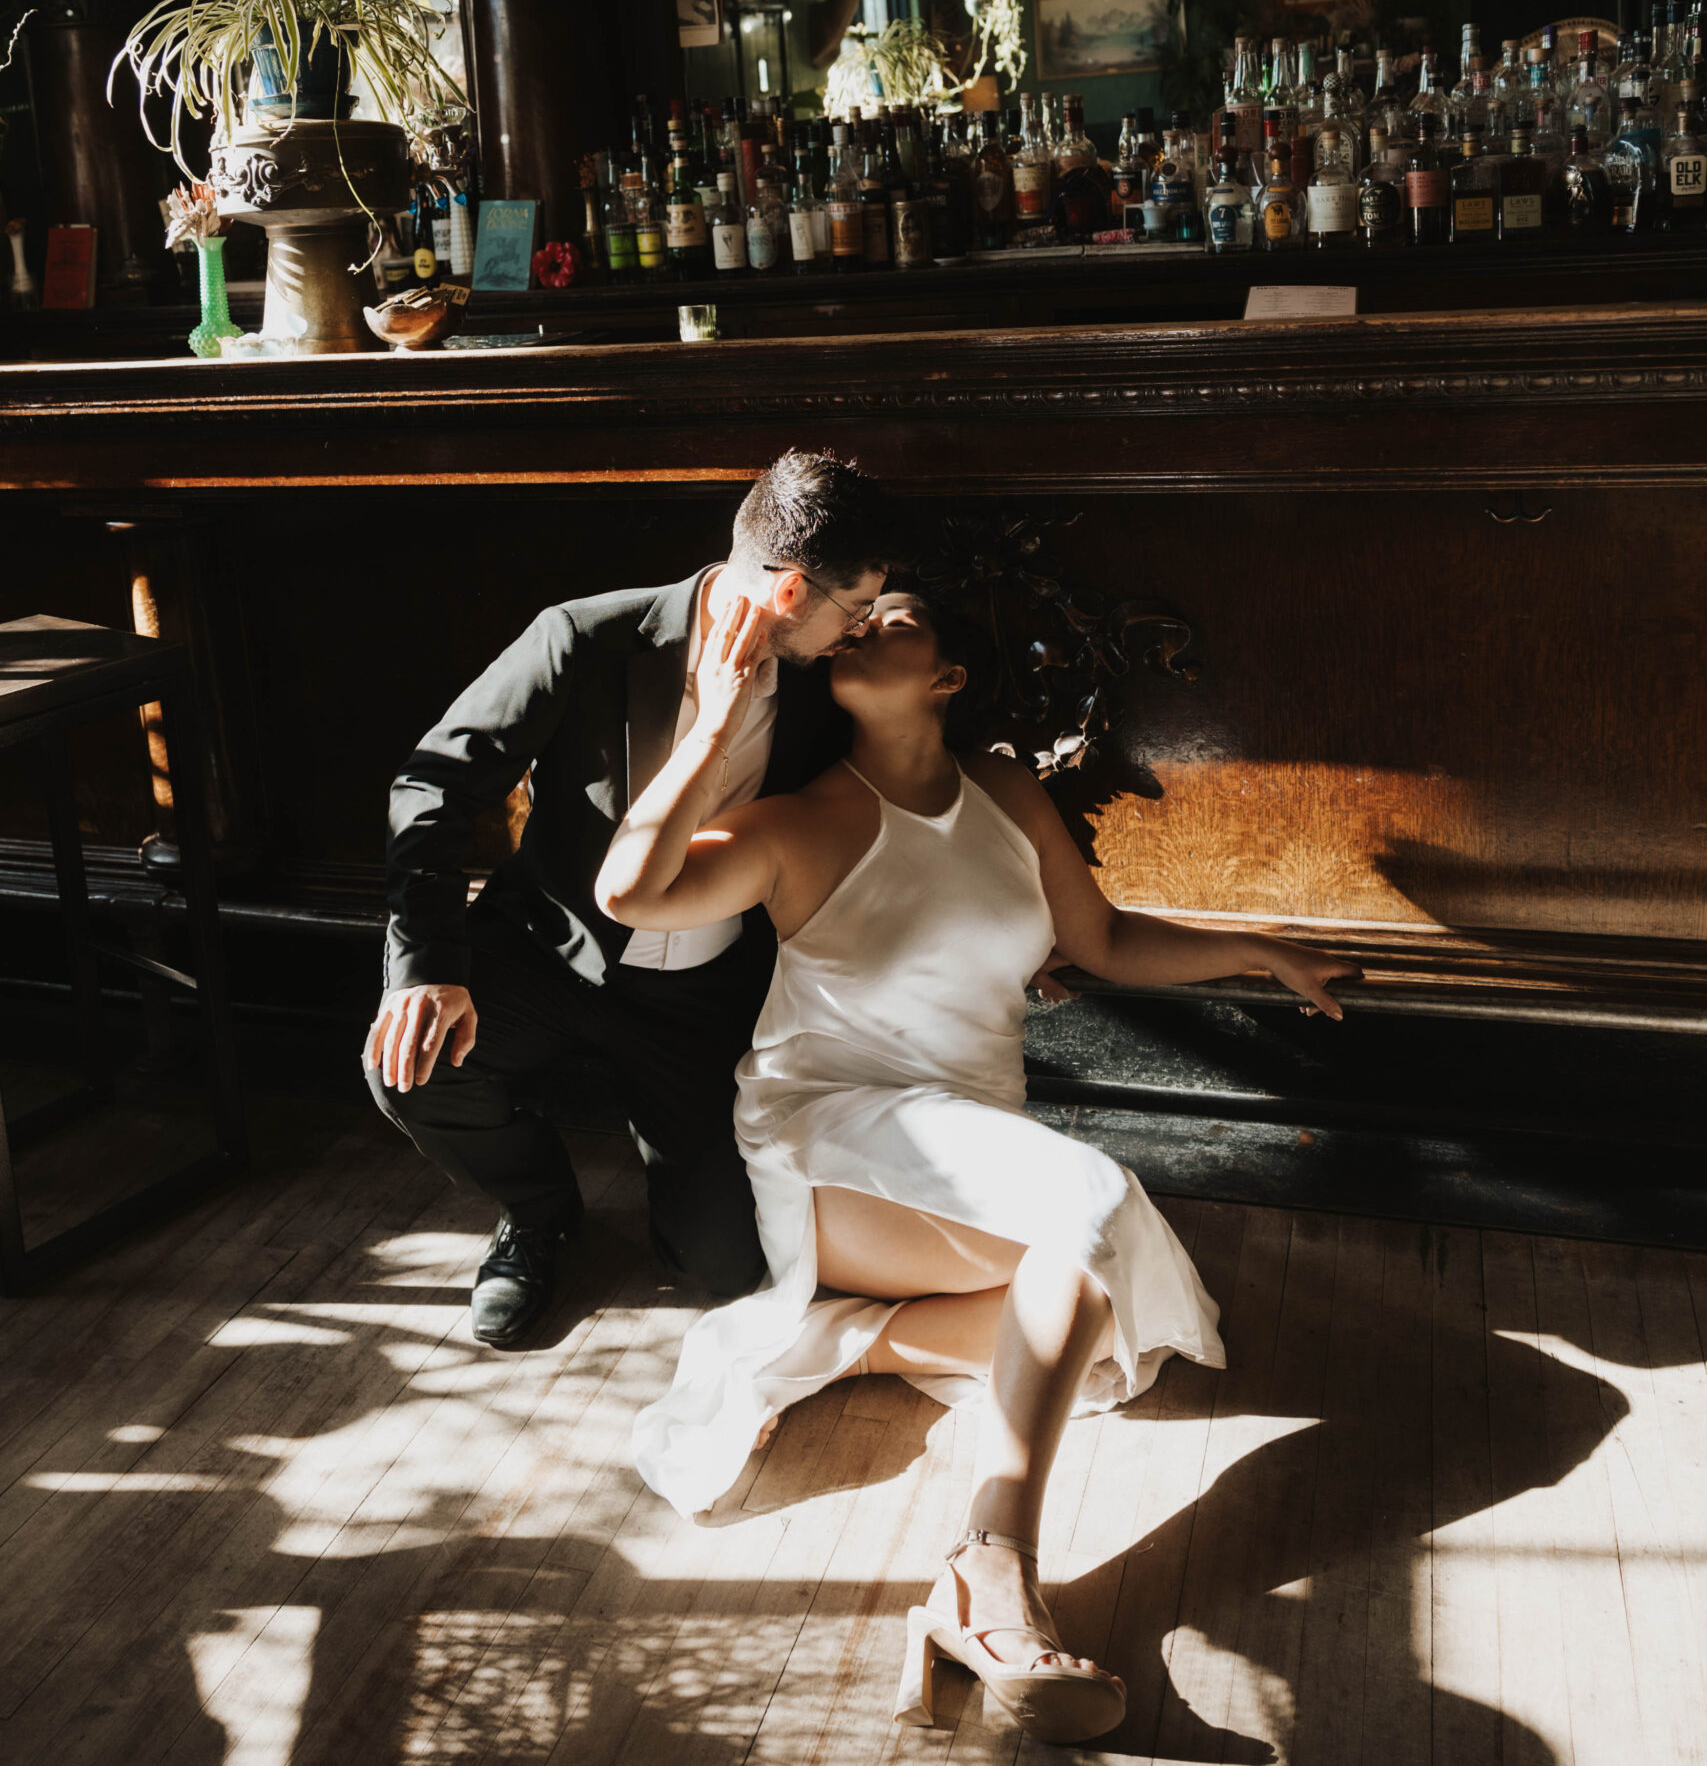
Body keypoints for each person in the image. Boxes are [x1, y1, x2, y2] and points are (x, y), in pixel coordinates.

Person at [598, 586, 1360, 1748]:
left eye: (894, 616)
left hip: (966, 1142)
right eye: (857, 618)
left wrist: (1256, 949)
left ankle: (857, 1340)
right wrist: (708, 724)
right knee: (1097, 1213)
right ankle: (993, 1569)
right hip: (830, 1135)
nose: (862, 625)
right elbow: (632, 894)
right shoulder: (803, 821)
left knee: (1090, 1303)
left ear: (948, 677)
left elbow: (1098, 940)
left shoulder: (1006, 792)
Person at [363, 450, 889, 1347]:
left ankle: (680, 1198)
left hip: (709, 993)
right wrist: (424, 969)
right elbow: (433, 785)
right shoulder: (585, 636)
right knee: (409, 1063)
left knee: (722, 1271)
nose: (864, 627)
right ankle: (536, 1214)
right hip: (550, 948)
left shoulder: (832, 687)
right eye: (856, 605)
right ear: (792, 590)